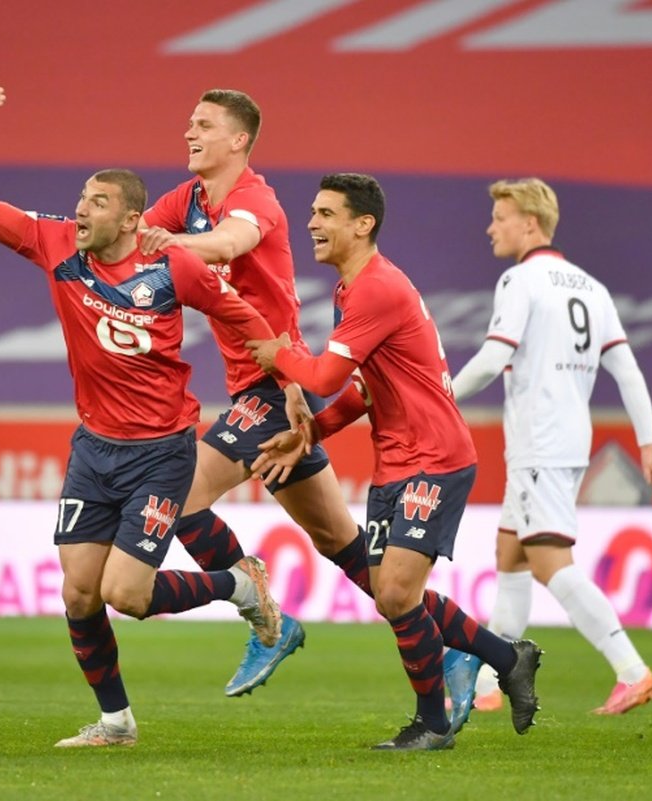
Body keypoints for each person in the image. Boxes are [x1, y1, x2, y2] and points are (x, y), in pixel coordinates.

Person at [0, 76, 283, 748]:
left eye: (97, 203)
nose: (80, 212)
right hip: (94, 450)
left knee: (127, 594)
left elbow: (245, 315)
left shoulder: (174, 266)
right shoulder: (57, 246)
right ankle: (115, 722)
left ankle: (240, 587)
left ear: (132, 220)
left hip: (161, 451)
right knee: (78, 594)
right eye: (80, 200)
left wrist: (291, 376)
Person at [137, 90, 480, 724]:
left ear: (239, 141)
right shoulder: (188, 199)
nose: (189, 130)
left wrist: (166, 243)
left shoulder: (255, 203)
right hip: (262, 388)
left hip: (276, 384)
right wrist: (103, 230)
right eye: (190, 120)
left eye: (204, 124)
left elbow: (223, 245)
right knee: (342, 544)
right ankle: (464, 646)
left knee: (178, 499)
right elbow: (144, 229)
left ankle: (264, 616)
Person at [246, 173, 542, 751]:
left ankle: (433, 724)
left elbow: (326, 376)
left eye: (326, 213)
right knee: (391, 594)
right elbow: (361, 388)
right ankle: (509, 657)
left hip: (435, 456)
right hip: (398, 461)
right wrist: (311, 434)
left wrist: (279, 354)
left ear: (364, 224)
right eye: (312, 212)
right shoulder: (352, 290)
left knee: (398, 596)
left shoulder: (377, 287)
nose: (312, 222)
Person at [450, 178, 652, 715]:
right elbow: (627, 369)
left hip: (539, 442)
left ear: (529, 223)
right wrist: (649, 441)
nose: (491, 227)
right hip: (567, 438)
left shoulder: (521, 280)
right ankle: (485, 686)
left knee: (551, 562)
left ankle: (632, 670)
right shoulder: (590, 288)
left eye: (500, 217)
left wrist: (440, 399)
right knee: (511, 556)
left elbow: (490, 357)